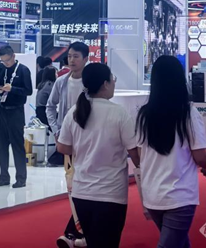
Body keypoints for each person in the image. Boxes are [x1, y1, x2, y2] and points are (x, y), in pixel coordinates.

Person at [137, 56, 206, 248]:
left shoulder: (144, 114)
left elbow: (141, 154)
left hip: (152, 194)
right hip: (179, 196)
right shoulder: (189, 113)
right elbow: (200, 156)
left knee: (178, 243)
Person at [57, 63, 139, 248]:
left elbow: (63, 147)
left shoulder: (75, 111)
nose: (114, 83)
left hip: (81, 192)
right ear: (105, 84)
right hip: (111, 194)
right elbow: (135, 153)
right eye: (112, 79)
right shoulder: (119, 113)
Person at [47, 41, 89, 248]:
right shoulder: (61, 82)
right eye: (69, 56)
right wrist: (57, 131)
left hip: (88, 141)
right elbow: (50, 106)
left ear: (85, 59)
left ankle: (75, 231)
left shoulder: (91, 82)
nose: (71, 60)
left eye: (76, 56)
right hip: (68, 142)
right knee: (73, 185)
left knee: (86, 185)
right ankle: (76, 231)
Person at [0, 45, 33, 189]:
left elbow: (28, 91)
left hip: (16, 111)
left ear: (13, 56)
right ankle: (4, 177)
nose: (6, 63)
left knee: (17, 145)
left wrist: (13, 89)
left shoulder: (23, 70)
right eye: (3, 61)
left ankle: (21, 178)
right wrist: (0, 90)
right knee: (1, 145)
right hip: (3, 110)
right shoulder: (2, 69)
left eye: (7, 60)